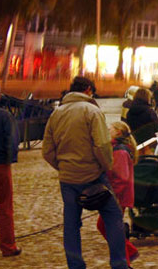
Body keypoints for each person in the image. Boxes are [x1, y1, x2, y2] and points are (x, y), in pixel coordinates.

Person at [42, 76, 127, 269]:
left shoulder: (57, 113)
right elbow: (102, 144)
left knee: (71, 223)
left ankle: (75, 265)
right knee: (113, 217)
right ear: (88, 90)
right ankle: (119, 263)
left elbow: (47, 150)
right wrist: (106, 166)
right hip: (94, 175)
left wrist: (62, 166)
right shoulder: (92, 111)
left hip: (68, 178)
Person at [0, 79, 21, 259]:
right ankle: (8, 246)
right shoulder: (5, 116)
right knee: (5, 207)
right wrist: (10, 159)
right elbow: (12, 140)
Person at [96, 122, 139, 266]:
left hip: (117, 198)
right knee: (107, 227)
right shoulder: (114, 148)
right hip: (116, 196)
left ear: (118, 133)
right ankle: (128, 253)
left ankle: (126, 258)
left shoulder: (119, 151)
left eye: (110, 129)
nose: (106, 131)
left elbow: (121, 178)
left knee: (108, 227)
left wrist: (113, 198)